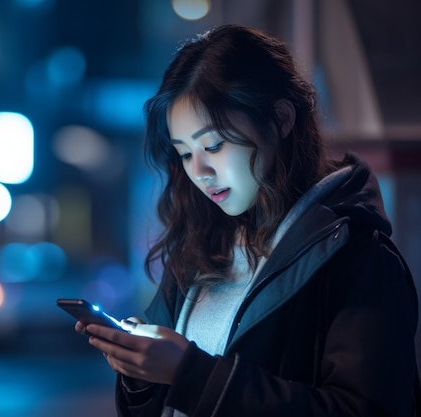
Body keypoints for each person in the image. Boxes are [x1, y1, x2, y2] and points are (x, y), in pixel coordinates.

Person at [74, 24, 421, 416]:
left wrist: (192, 375)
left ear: (281, 118)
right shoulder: (200, 246)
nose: (200, 170)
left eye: (214, 145)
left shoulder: (358, 257)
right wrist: (139, 372)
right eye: (185, 154)